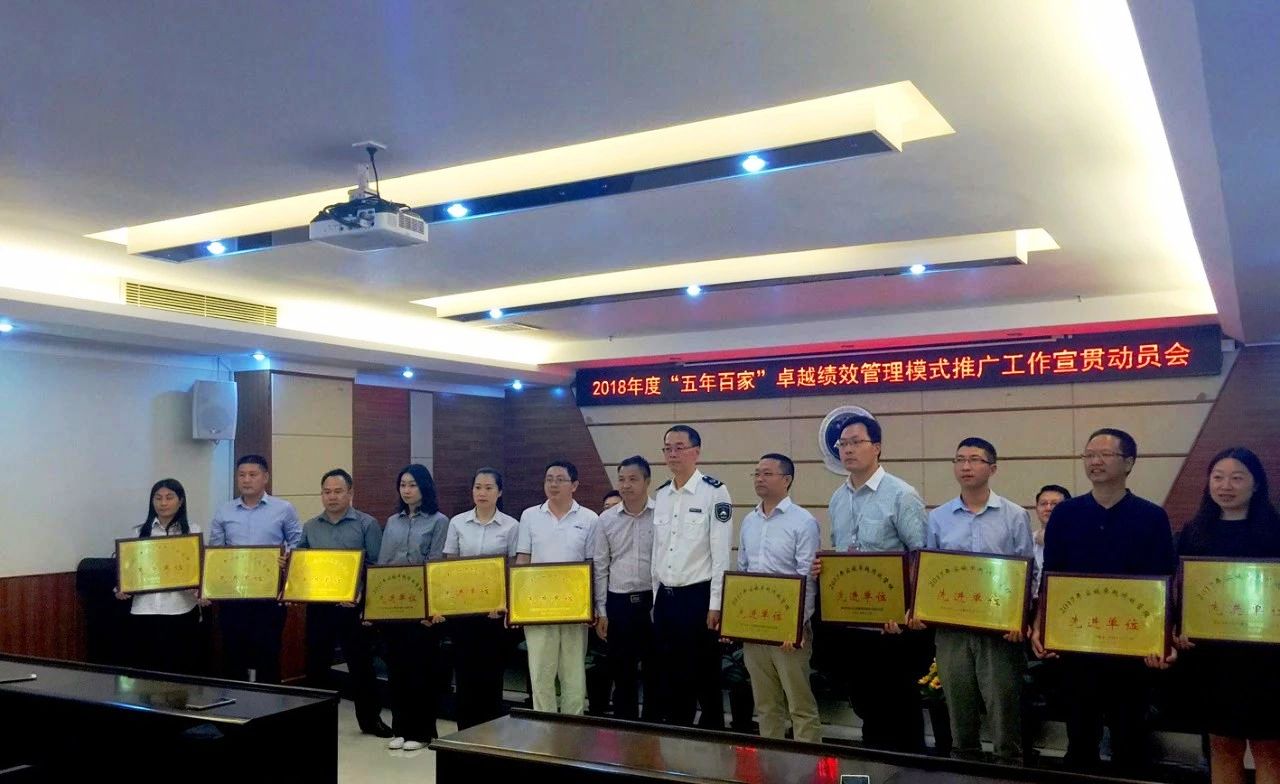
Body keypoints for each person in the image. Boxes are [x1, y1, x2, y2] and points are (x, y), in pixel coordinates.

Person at [1031, 428, 1177, 772]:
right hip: (1077, 644)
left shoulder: (1151, 516)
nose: (1095, 461)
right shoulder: (1066, 514)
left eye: (1105, 454)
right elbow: (1051, 575)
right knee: (1080, 737)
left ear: (1129, 463)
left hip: (1131, 648)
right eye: (1089, 455)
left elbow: (1164, 582)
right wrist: (1040, 626)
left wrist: (1165, 637)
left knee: (1130, 739)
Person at [913, 438, 1033, 765]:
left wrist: (1020, 619)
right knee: (958, 705)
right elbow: (928, 571)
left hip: (999, 631)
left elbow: (1027, 573)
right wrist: (920, 609)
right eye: (960, 459)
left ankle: (1009, 767)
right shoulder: (939, 517)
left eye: (975, 459)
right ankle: (964, 767)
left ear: (992, 468)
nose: (966, 466)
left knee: (1002, 706)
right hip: (951, 629)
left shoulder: (1014, 515)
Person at [812, 413, 928, 753]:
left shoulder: (902, 495)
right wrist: (824, 567)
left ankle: (907, 771)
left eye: (856, 442)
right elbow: (843, 553)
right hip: (852, 624)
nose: (847, 450)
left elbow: (921, 556)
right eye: (842, 444)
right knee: (866, 707)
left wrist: (910, 611)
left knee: (900, 709)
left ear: (876, 447)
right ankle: (872, 769)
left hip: (893, 626)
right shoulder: (838, 498)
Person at [1174, 448, 1280, 784]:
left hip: (1267, 660)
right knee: (1222, 746)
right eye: (1218, 477)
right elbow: (1180, 590)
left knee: (1269, 749)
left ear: (1256, 484)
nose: (1225, 486)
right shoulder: (1194, 532)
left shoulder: (1276, 530)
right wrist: (1179, 627)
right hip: (1213, 659)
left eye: (1237, 478)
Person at [296, 469, 390, 738]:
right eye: (327, 492)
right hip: (319, 607)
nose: (332, 497)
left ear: (350, 493)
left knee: (361, 665)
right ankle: (315, 719)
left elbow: (375, 566)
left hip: (353, 608)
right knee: (316, 665)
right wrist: (288, 565)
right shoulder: (310, 526)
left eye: (338, 491)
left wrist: (360, 596)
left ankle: (370, 720)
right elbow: (301, 564)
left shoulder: (366, 524)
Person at [652, 425, 733, 729]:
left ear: (696, 452)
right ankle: (678, 734)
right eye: (667, 448)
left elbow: (721, 552)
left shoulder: (715, 492)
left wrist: (716, 604)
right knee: (671, 673)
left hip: (698, 597)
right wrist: (656, 597)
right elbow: (658, 551)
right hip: (666, 597)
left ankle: (713, 735)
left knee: (704, 673)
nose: (672, 454)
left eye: (679, 447)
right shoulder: (662, 494)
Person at [737, 453, 822, 743]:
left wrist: (795, 628)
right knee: (765, 705)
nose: (759, 479)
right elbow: (743, 572)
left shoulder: (803, 522)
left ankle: (808, 763)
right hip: (754, 628)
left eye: (767, 473)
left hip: (789, 632)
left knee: (800, 705)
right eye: (756, 473)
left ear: (786, 480)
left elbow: (807, 578)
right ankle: (771, 761)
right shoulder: (749, 521)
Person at [516, 460, 600, 715]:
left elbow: (592, 564)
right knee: (541, 673)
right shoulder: (530, 516)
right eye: (549, 479)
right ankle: (544, 728)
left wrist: (593, 606)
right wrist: (519, 605)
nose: (553, 484)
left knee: (573, 674)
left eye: (560, 479)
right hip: (538, 608)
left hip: (575, 610)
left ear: (574, 485)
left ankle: (573, 727)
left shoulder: (589, 518)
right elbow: (523, 560)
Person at [208, 454, 301, 683]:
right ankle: (235, 703)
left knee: (268, 655)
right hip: (234, 596)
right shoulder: (224, 511)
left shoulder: (283, 509)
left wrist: (287, 558)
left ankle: (269, 703)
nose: (246, 480)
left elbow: (297, 543)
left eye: (252, 474)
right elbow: (216, 552)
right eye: (241, 475)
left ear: (265, 477)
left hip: (268, 596)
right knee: (233, 655)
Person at [439, 467, 519, 730]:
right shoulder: (457, 523)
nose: (482, 493)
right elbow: (449, 567)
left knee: (491, 676)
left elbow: (513, 570)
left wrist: (504, 602)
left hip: (494, 614)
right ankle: (465, 735)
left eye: (488, 488)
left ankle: (491, 735)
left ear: (500, 492)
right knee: (465, 675)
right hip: (463, 613)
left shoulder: (512, 526)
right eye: (477, 487)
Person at [376, 463, 449, 751]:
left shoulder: (439, 521)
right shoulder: (392, 521)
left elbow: (436, 565)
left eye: (412, 485)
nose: (406, 490)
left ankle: (422, 732)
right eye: (403, 485)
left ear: (424, 487)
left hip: (422, 607)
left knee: (421, 671)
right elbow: (383, 563)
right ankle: (401, 728)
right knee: (397, 670)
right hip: (394, 607)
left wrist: (431, 606)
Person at [593, 456, 660, 721]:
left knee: (655, 671)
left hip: (652, 602)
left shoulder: (662, 516)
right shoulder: (606, 520)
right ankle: (626, 731)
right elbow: (601, 566)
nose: (626, 485)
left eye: (633, 479)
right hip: (618, 603)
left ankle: (653, 730)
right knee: (622, 673)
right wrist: (602, 610)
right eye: (621, 479)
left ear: (647, 481)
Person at [114, 478, 204, 674]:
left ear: (180, 501)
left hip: (180, 609)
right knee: (147, 669)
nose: (163, 503)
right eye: (158, 498)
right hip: (145, 610)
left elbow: (200, 571)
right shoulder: (139, 532)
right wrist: (121, 587)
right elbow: (129, 569)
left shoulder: (193, 531)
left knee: (180, 669)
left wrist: (201, 589)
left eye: (169, 497)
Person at [1031, 484, 1070, 596]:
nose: (1048, 508)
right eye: (1043, 504)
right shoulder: (1029, 539)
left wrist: (1051, 539)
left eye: (1055, 504)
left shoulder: (1077, 541)